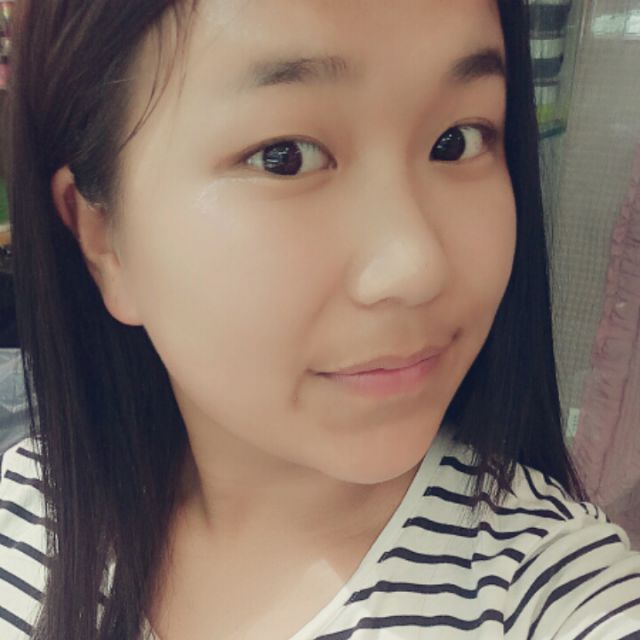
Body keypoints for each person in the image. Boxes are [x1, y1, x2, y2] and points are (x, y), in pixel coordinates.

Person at [1, 0, 639, 638]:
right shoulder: (25, 504)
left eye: (457, 141)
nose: (416, 266)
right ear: (104, 239)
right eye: (285, 156)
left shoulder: (560, 598)